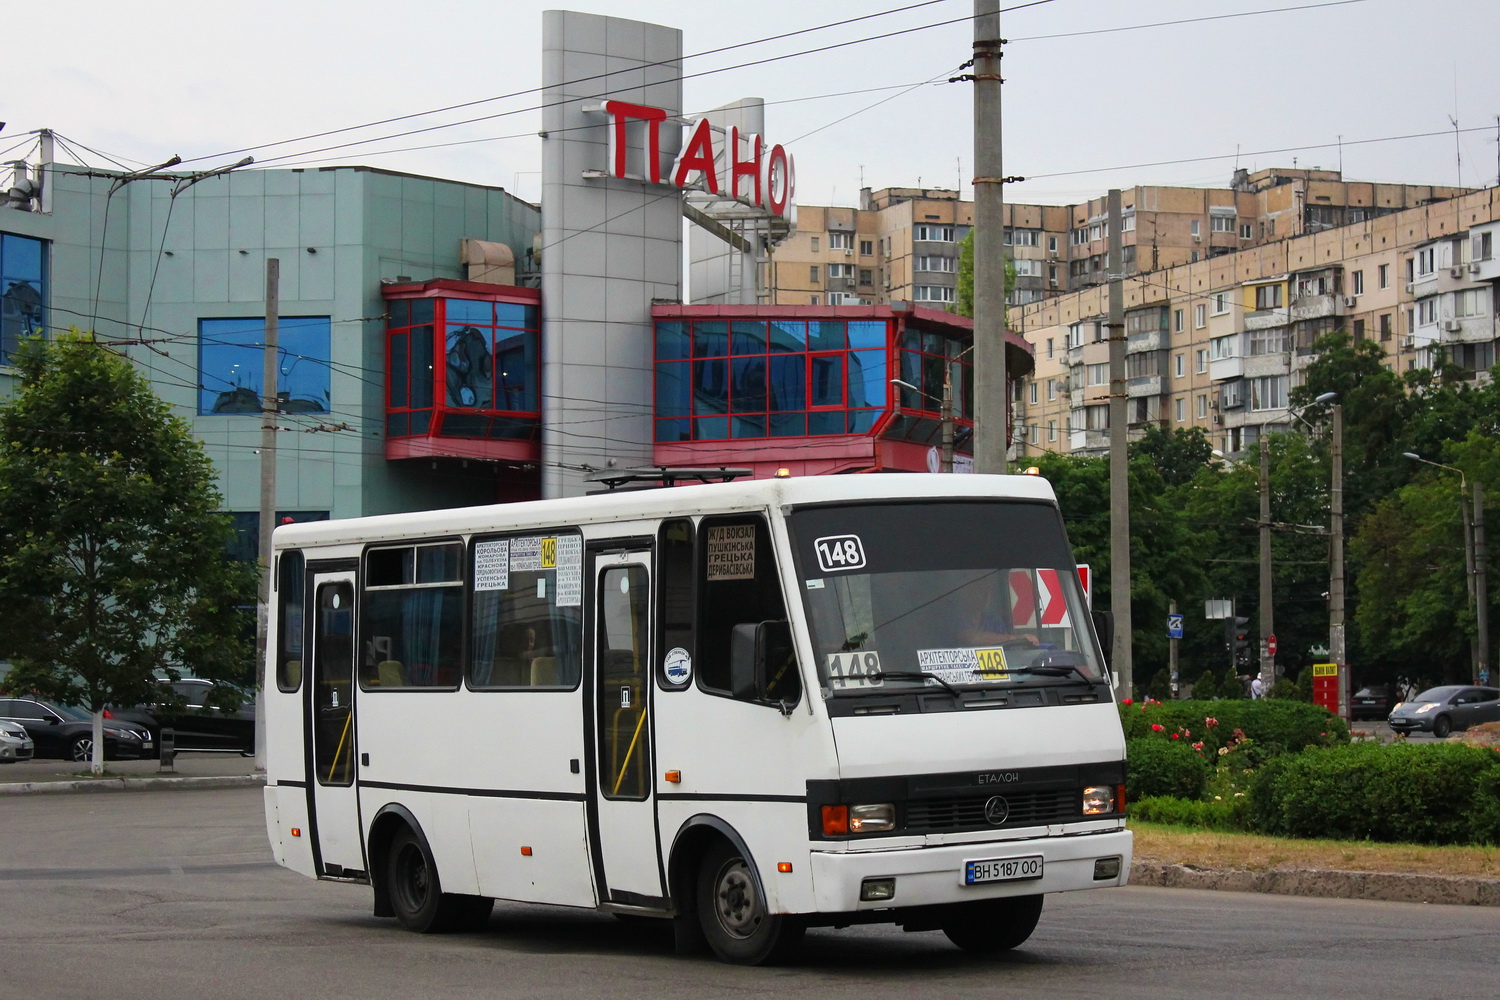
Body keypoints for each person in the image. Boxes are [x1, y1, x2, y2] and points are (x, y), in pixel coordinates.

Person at [951, 571, 1037, 648]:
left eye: (988, 591)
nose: (986, 595)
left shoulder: (994, 620)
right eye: (980, 590)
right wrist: (1016, 638)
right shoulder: (953, 617)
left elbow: (1007, 646)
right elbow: (970, 638)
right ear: (966, 591)